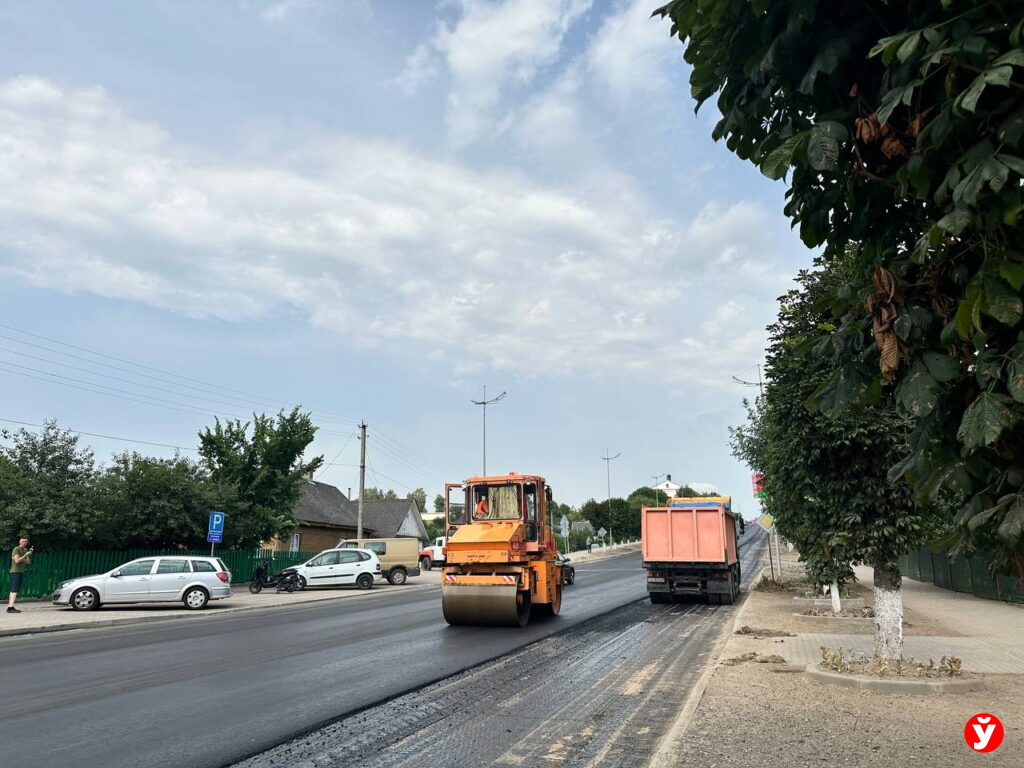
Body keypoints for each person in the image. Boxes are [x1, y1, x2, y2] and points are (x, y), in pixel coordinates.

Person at [8, 536, 32, 614]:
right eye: (22, 541)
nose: (24, 543)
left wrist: (26, 555)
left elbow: (28, 562)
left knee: (14, 590)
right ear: (19, 541)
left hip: (20, 572)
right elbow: (17, 561)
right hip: (15, 571)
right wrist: (25, 556)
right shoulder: (16, 549)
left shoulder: (25, 550)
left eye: (25, 541)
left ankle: (10, 606)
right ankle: (10, 608)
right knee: (14, 590)